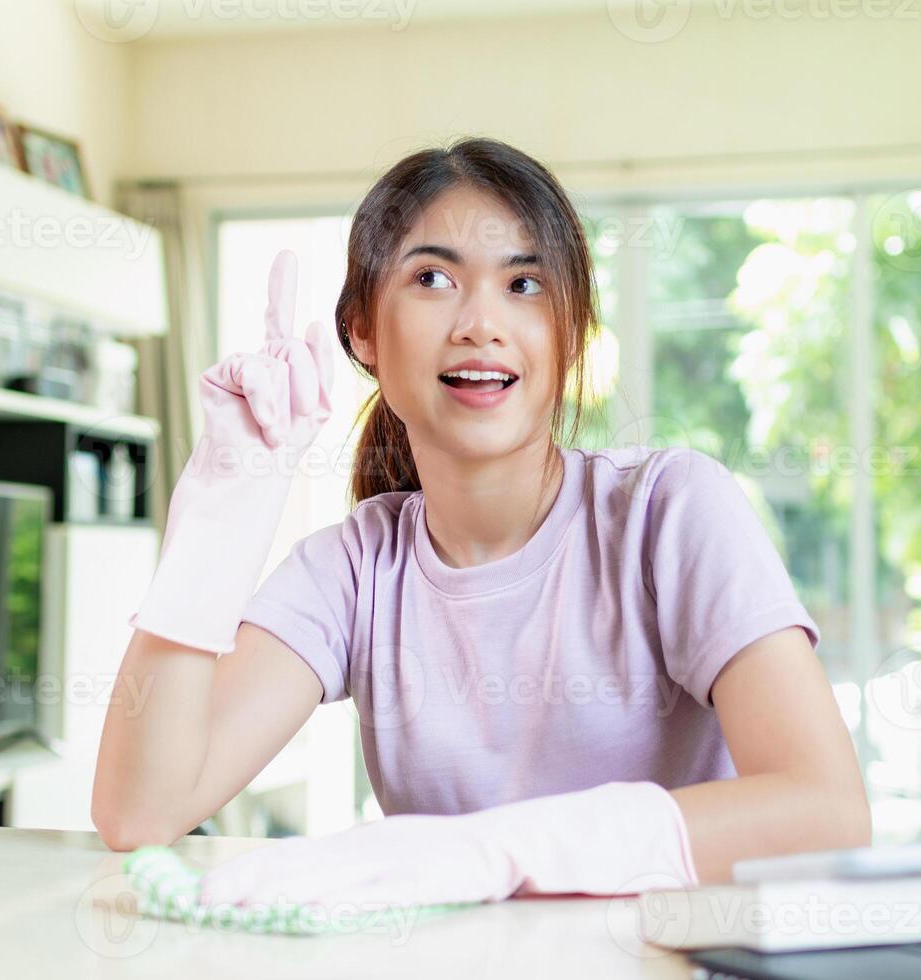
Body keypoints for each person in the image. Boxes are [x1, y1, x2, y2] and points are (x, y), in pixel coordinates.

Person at [92, 137, 869, 910]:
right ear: (362, 330)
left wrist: (494, 849)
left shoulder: (670, 510)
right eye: (432, 278)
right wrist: (219, 519)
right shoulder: (357, 568)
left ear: (571, 333)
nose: (481, 323)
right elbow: (142, 813)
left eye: (524, 285)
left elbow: (827, 815)